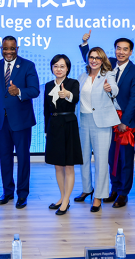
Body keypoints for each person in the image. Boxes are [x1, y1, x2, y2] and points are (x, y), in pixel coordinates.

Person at [80, 31, 135, 208]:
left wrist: (125, 121)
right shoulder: (108, 64)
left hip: (124, 121)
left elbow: (134, 99)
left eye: (125, 49)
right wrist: (85, 44)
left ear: (131, 52)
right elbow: (91, 60)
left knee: (125, 159)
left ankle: (124, 193)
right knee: (110, 157)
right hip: (106, 119)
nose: (121, 52)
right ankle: (114, 188)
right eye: (118, 48)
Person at [0, 36, 40, 209]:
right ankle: (7, 192)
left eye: (12, 48)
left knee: (23, 158)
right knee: (4, 158)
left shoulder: (28, 65)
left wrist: (19, 91)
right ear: (1, 49)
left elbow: (35, 90)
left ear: (18, 48)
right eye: (5, 48)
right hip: (1, 121)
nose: (8, 52)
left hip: (21, 121)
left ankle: (22, 195)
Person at [74, 47, 119, 213]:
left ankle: (99, 196)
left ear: (102, 60)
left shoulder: (109, 75)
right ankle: (87, 189)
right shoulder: (82, 77)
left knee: (101, 160)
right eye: (91, 57)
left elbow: (114, 89)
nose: (94, 60)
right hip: (83, 121)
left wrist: (110, 90)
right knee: (83, 158)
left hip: (101, 122)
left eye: (97, 58)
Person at [43, 54, 82, 216]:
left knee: (69, 165)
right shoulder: (47, 85)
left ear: (67, 68)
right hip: (54, 126)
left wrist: (67, 94)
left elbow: (75, 99)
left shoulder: (73, 83)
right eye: (55, 66)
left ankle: (66, 201)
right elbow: (46, 110)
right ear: (52, 68)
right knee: (58, 165)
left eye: (62, 66)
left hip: (68, 125)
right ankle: (61, 197)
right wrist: (46, 129)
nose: (58, 69)